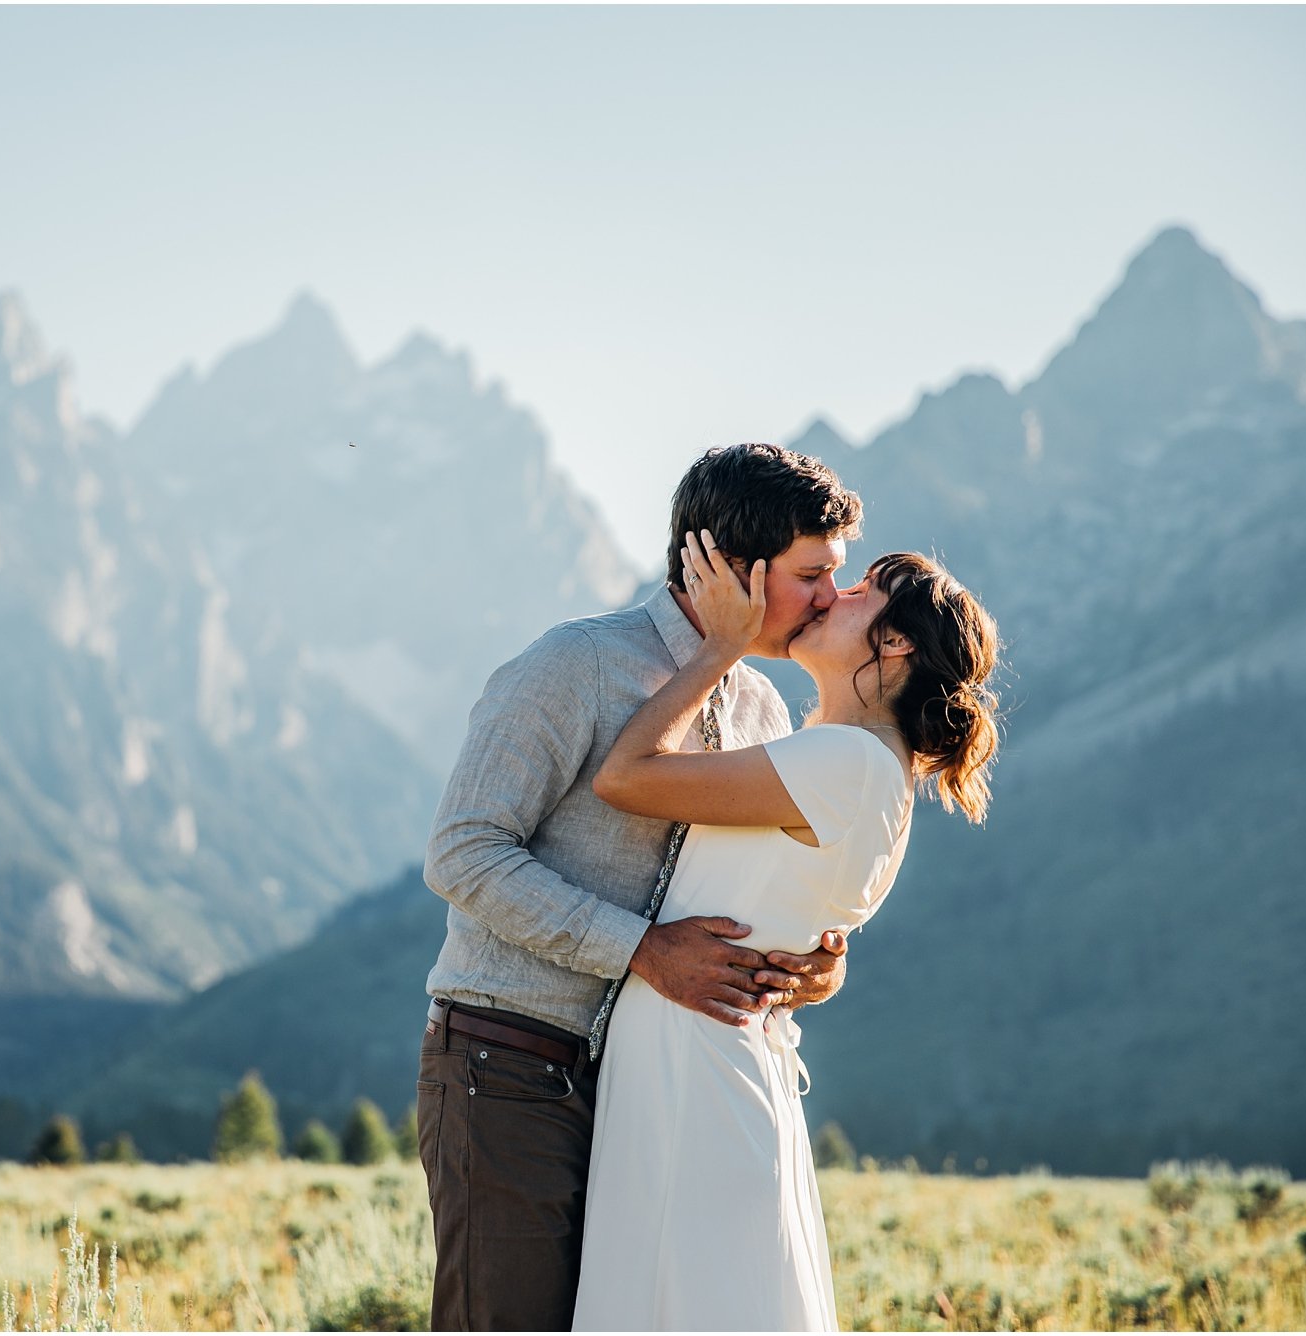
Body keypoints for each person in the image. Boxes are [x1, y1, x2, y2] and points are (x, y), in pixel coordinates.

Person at [417, 443, 864, 1331]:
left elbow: (733, 893)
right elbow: (463, 853)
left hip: (652, 1092)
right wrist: (643, 952)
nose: (830, 600)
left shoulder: (763, 712)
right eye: (812, 574)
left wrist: (810, 967)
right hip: (508, 1068)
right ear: (734, 568)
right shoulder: (574, 665)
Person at [571, 531, 1001, 1331]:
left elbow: (623, 779)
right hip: (714, 1051)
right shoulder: (863, 765)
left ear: (895, 640)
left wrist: (718, 648)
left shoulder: (846, 762)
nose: (831, 595)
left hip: (697, 1059)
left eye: (860, 591)